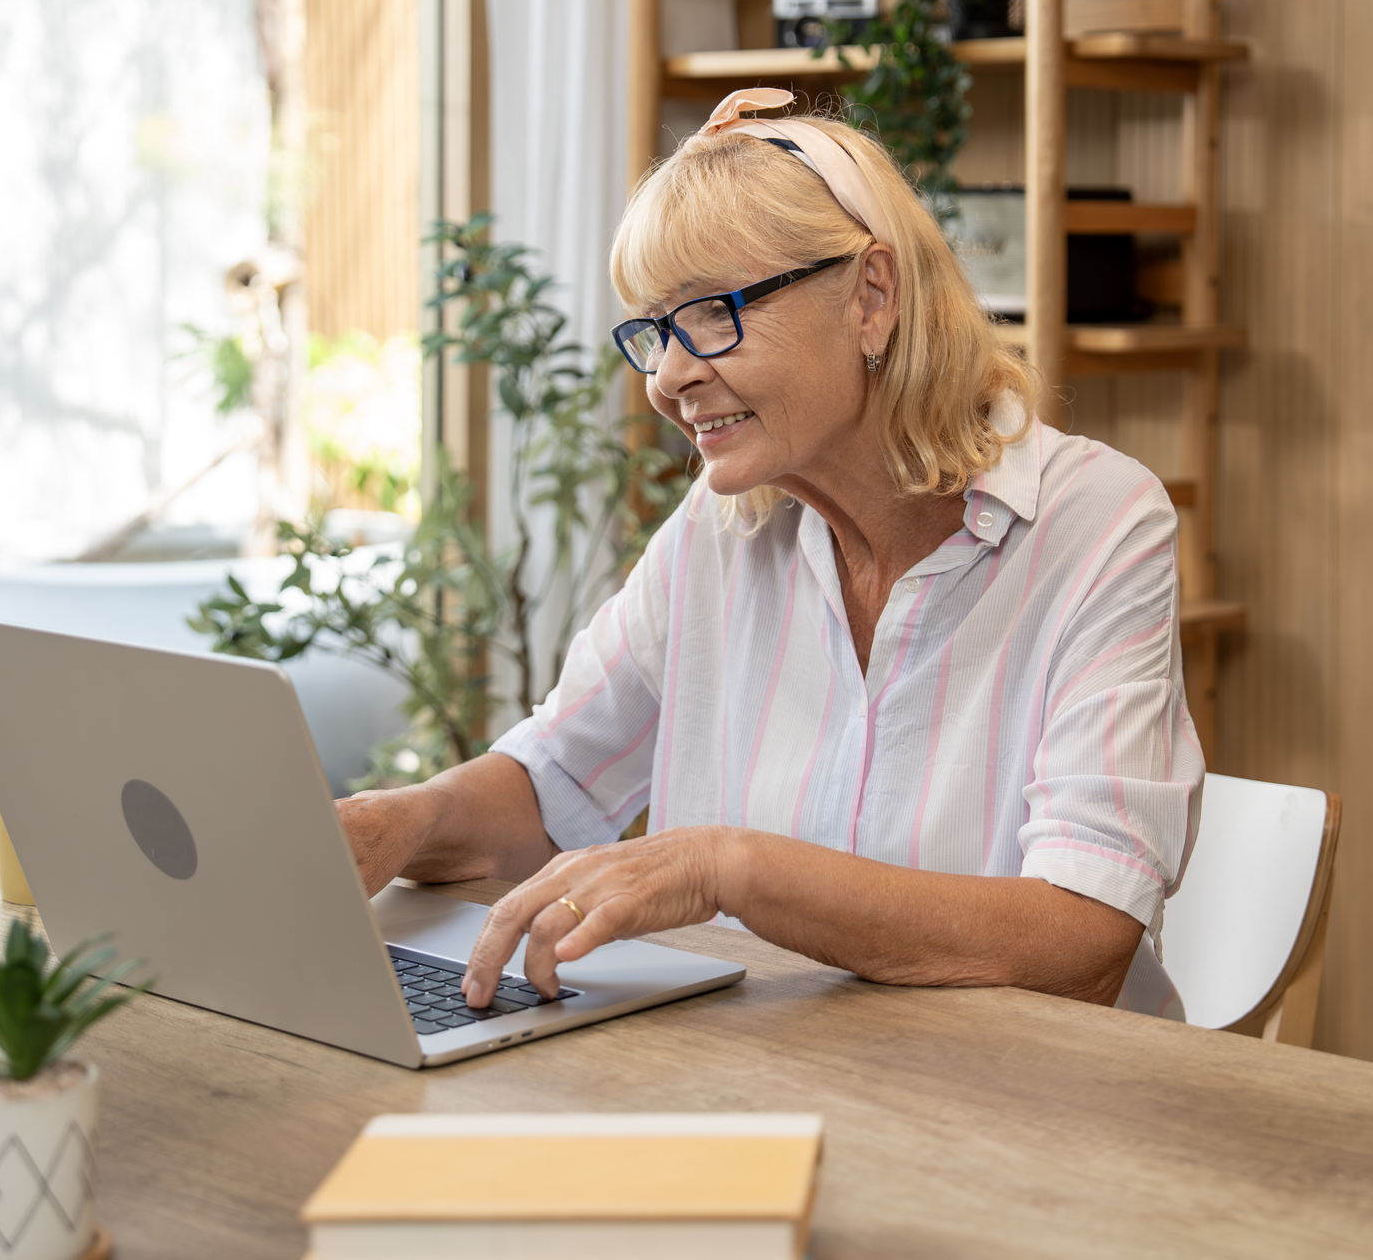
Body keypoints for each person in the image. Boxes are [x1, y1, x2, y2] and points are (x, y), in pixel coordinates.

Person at [338, 87, 1203, 1019]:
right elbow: (549, 786)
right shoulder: (721, 528)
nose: (669, 378)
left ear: (871, 296)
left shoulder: (1100, 522)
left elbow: (1081, 942)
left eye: (711, 313)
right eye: (656, 331)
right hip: (766, 1081)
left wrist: (731, 868)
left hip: (1024, 1112)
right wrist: (402, 818)